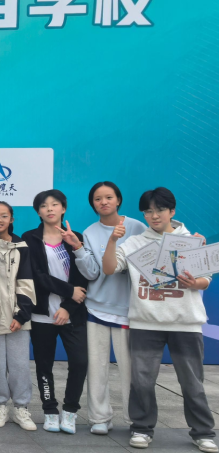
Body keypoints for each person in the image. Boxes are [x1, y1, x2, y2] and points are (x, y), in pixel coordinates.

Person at [103, 187, 216, 453]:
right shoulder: (134, 243)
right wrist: (112, 241)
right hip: (145, 322)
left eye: (160, 210)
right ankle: (141, 428)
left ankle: (203, 432)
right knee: (142, 380)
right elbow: (109, 268)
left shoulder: (192, 241)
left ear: (172, 211)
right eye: (148, 211)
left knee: (192, 382)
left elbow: (206, 280)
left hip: (185, 323)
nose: (154, 215)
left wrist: (194, 283)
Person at [74, 182, 147, 434]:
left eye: (108, 197)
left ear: (118, 200)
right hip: (97, 309)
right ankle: (99, 418)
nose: (103, 202)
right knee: (97, 368)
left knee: (132, 371)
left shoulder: (137, 227)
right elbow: (92, 273)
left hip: (130, 310)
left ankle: (136, 420)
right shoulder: (90, 232)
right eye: (97, 199)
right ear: (92, 204)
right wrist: (79, 250)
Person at [24, 189, 89, 434]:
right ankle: (50, 410)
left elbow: (83, 276)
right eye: (43, 205)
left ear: (63, 208)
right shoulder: (30, 238)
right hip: (42, 315)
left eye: (54, 204)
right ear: (38, 212)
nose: (49, 209)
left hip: (72, 314)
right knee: (44, 365)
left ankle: (70, 410)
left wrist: (67, 307)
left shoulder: (76, 237)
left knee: (80, 362)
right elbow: (36, 275)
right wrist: (68, 291)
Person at [0, 202, 37, 430]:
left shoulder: (22, 246)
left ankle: (21, 408)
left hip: (17, 318)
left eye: (4, 216)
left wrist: (21, 315)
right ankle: (0, 405)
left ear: (11, 219)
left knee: (20, 365)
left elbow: (26, 282)